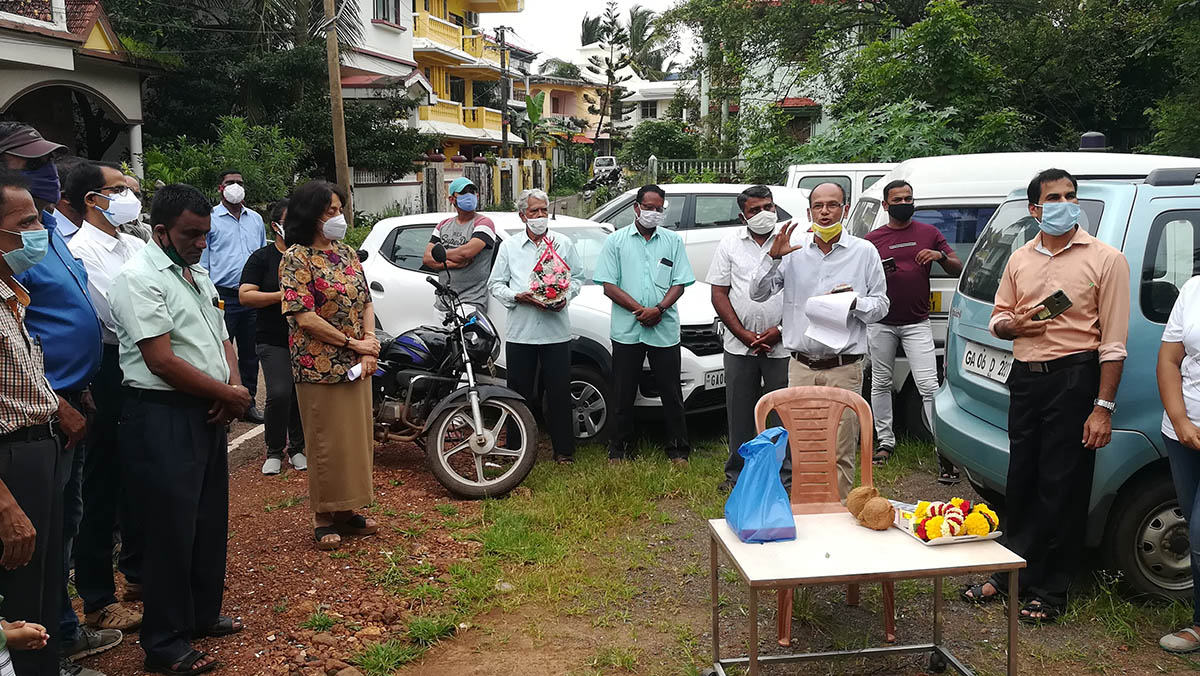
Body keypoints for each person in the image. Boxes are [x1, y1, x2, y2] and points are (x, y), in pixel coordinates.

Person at [961, 168, 1129, 624]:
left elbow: (1113, 342)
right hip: (1026, 378)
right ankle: (1015, 571)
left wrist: (1102, 407)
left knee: (1063, 485)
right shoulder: (1020, 260)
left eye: (1069, 196)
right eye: (1053, 197)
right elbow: (998, 317)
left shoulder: (1105, 259)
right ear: (1035, 209)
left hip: (1075, 377)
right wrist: (1013, 326)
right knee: (1022, 480)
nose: (1063, 203)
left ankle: (1052, 589)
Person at [109, 184, 251, 674]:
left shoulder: (198, 276)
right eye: (191, 234)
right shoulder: (139, 278)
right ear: (161, 231)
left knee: (208, 519)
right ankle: (164, 643)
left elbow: (224, 339)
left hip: (206, 407)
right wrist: (223, 393)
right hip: (162, 415)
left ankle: (200, 615)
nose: (200, 243)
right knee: (170, 529)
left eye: (205, 234)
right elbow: (161, 361)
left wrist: (230, 386)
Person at [0, 126, 118, 673]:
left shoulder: (41, 241)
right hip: (21, 435)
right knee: (23, 561)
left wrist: (73, 394)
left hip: (58, 410)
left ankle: (58, 642)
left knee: (56, 542)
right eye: (31, 165)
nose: (48, 173)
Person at [750, 182, 889, 500]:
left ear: (846, 208)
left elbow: (881, 306)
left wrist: (855, 303)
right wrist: (771, 258)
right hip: (802, 365)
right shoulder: (792, 251)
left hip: (844, 367)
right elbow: (757, 293)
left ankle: (838, 515)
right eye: (819, 206)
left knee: (841, 447)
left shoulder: (864, 252)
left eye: (833, 205)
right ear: (809, 211)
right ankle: (806, 513)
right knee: (803, 448)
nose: (825, 212)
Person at [65, 161, 147, 636]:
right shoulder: (82, 252)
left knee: (138, 473)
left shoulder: (135, 244)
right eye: (120, 190)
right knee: (101, 484)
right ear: (92, 199)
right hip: (109, 369)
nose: (130, 198)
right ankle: (97, 598)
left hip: (144, 364)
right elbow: (116, 317)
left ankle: (136, 575)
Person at [278, 181, 379, 551]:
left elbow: (365, 300)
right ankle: (323, 514)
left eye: (340, 209)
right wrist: (353, 344)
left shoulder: (347, 253)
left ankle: (347, 509)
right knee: (326, 442)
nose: (339, 218)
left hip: (357, 363)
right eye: (331, 211)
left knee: (354, 440)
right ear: (311, 215)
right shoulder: (296, 258)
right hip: (318, 365)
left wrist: (369, 347)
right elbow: (303, 315)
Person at [0, 169, 67, 676]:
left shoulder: (12, 296)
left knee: (44, 582)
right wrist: (3, 502)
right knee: (18, 591)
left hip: (39, 448)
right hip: (11, 461)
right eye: (25, 223)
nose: (38, 231)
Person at [863, 180, 962, 481]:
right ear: (885, 205)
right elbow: (859, 281)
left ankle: (943, 450)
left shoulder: (929, 233)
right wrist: (879, 270)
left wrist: (940, 257)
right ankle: (885, 442)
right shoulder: (872, 239)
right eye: (898, 199)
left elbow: (958, 267)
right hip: (881, 322)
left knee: (929, 386)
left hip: (918, 322)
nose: (904, 203)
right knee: (880, 383)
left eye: (908, 198)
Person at [593, 184, 695, 464]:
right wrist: (641, 310)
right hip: (628, 330)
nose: (652, 212)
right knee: (623, 392)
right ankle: (620, 449)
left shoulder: (672, 241)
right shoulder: (616, 241)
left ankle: (678, 449)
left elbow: (680, 282)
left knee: (671, 392)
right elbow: (608, 285)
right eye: (648, 207)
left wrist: (659, 309)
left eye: (658, 208)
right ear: (636, 208)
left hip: (664, 328)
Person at [487, 189, 583, 464]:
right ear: (522, 216)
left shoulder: (562, 244)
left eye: (543, 210)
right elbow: (495, 284)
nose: (540, 216)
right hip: (522, 332)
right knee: (518, 394)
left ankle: (564, 451)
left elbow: (577, 277)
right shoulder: (509, 247)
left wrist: (565, 296)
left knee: (559, 392)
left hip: (556, 332)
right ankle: (516, 450)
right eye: (534, 212)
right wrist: (517, 296)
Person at [707, 185, 787, 491]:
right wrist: (742, 334)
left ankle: (782, 477)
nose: (763, 214)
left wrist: (778, 331)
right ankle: (737, 476)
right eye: (755, 210)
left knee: (781, 413)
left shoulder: (791, 241)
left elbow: (800, 292)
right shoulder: (730, 244)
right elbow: (719, 293)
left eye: (767, 207)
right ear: (744, 216)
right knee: (740, 413)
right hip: (740, 345)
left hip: (781, 344)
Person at [239, 199, 307, 475]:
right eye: (289, 221)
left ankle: (298, 449)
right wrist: (284, 296)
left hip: (305, 338)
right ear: (276, 226)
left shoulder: (306, 255)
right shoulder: (262, 258)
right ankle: (274, 450)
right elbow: (245, 295)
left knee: (300, 395)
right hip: (272, 337)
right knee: (279, 393)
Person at [200, 169, 265, 424]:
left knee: (250, 353)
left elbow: (260, 256)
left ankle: (247, 405)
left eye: (239, 182)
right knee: (219, 353)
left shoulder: (256, 220)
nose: (235, 186)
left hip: (251, 295)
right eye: (230, 183)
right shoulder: (211, 219)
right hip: (222, 295)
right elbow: (203, 260)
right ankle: (222, 404)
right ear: (220, 188)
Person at [1158, 275, 1200, 653]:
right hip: (1182, 433)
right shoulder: (1193, 289)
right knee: (1192, 519)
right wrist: (1182, 420)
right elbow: (1170, 360)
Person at [422, 177, 496, 311]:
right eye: (463, 193)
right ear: (452, 199)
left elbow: (466, 253)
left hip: (470, 303)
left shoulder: (484, 223)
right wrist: (454, 263)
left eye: (472, 192)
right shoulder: (443, 225)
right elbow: (427, 258)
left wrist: (442, 256)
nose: (469, 196)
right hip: (442, 303)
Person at [117, 174, 152, 242]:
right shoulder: (112, 232)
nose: (134, 199)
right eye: (127, 193)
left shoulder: (149, 230)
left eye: (137, 195)